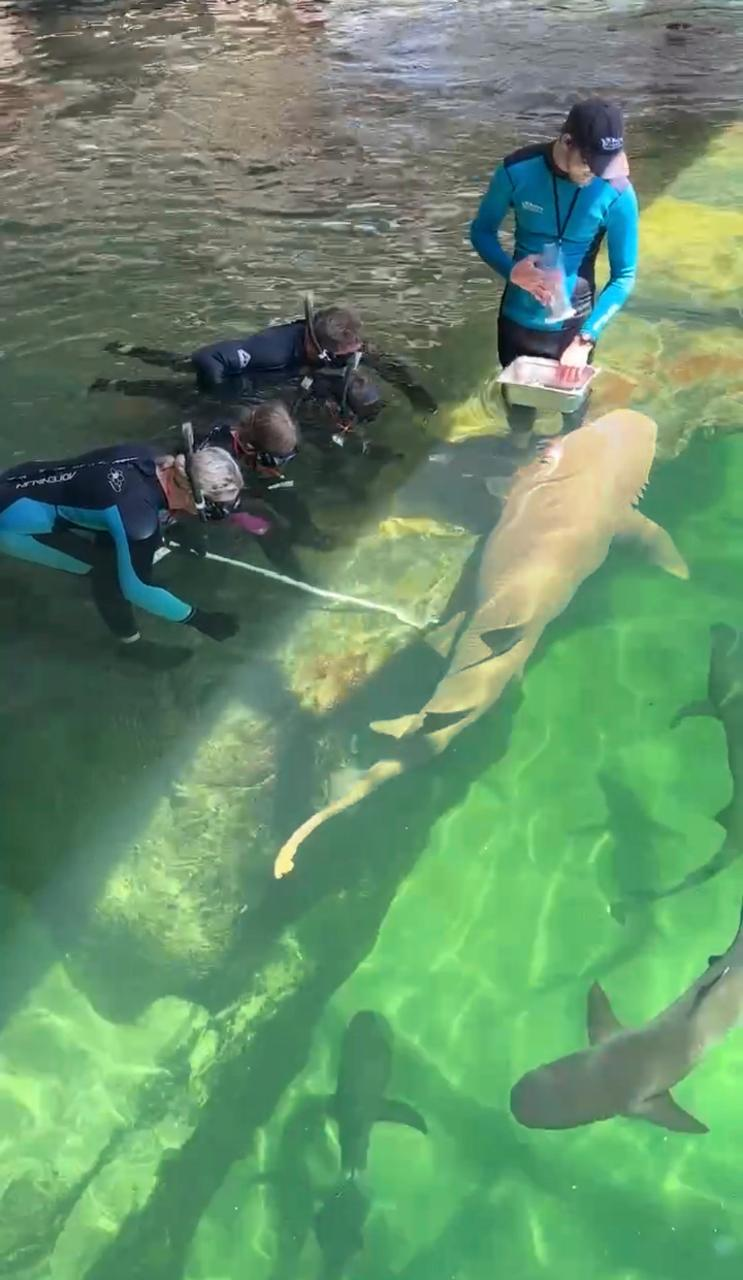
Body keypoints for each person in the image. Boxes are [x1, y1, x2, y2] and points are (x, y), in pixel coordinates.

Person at [470, 98, 639, 445]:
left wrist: (585, 338)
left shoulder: (618, 192)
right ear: (566, 142)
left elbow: (624, 275)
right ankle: (516, 454)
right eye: (589, 164)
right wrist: (510, 271)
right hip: (516, 321)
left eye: (604, 166)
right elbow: (481, 231)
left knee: (571, 420)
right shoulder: (517, 171)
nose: (595, 174)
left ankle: (563, 456)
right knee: (518, 417)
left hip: (573, 328)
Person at [0, 439, 244, 670]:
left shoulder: (146, 456)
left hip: (17, 481)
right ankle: (132, 647)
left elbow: (124, 502)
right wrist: (200, 620)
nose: (218, 518)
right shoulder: (139, 523)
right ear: (193, 496)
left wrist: (176, 529)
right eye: (217, 512)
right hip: (12, 524)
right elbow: (136, 590)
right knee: (109, 576)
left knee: (113, 538)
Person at [91, 294, 438, 422]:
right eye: (345, 354)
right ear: (320, 348)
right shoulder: (270, 348)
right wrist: (221, 396)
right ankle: (119, 375)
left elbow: (388, 364)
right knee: (179, 376)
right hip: (237, 372)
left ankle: (125, 354)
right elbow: (207, 357)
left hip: (279, 374)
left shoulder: (346, 342)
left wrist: (419, 397)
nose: (357, 354)